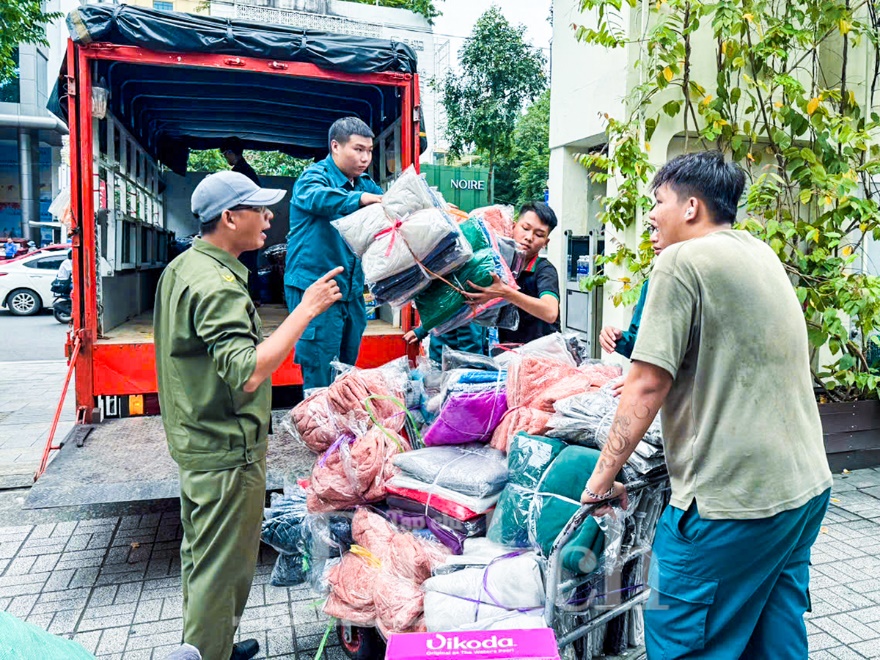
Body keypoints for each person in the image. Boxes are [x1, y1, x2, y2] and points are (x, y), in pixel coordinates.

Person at [580, 152, 832, 658]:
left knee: (678, 629)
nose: (651, 215)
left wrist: (600, 481)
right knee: (773, 635)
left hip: (731, 504)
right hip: (803, 491)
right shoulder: (760, 254)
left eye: (659, 202)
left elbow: (646, 385)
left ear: (691, 207)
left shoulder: (681, 261)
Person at [154, 171, 342, 660]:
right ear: (229, 217)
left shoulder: (185, 266)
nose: (269, 217)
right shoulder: (217, 285)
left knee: (202, 559)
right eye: (258, 209)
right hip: (225, 450)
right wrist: (306, 311)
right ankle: (210, 654)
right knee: (225, 566)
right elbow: (249, 373)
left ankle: (208, 645)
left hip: (198, 439)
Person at [284, 116, 383, 389]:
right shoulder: (313, 178)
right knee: (320, 367)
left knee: (345, 371)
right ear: (335, 146)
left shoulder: (364, 184)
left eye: (369, 151)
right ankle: (316, 428)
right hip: (316, 288)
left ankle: (340, 426)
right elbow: (320, 198)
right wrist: (360, 200)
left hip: (351, 292)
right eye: (358, 149)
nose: (365, 158)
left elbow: (391, 201)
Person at [464, 202, 561, 346]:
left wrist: (506, 293)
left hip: (544, 355)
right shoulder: (500, 265)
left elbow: (550, 312)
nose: (529, 237)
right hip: (508, 353)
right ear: (513, 226)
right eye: (525, 228)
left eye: (539, 234)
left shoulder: (544, 270)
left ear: (545, 242)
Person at [598, 225, 666, 358]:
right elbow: (639, 342)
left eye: (660, 229)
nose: (653, 238)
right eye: (652, 230)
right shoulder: (650, 284)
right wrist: (619, 338)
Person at [221, 138, 262, 300]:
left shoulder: (239, 173)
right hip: (251, 223)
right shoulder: (247, 171)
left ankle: (248, 297)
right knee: (249, 261)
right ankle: (253, 296)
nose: (226, 158)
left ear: (231, 152)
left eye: (225, 155)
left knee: (244, 262)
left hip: (246, 223)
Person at [403, 322, 487, 364]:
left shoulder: (464, 297)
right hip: (442, 359)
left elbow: (470, 345)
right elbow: (442, 315)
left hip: (451, 364)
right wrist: (422, 330)